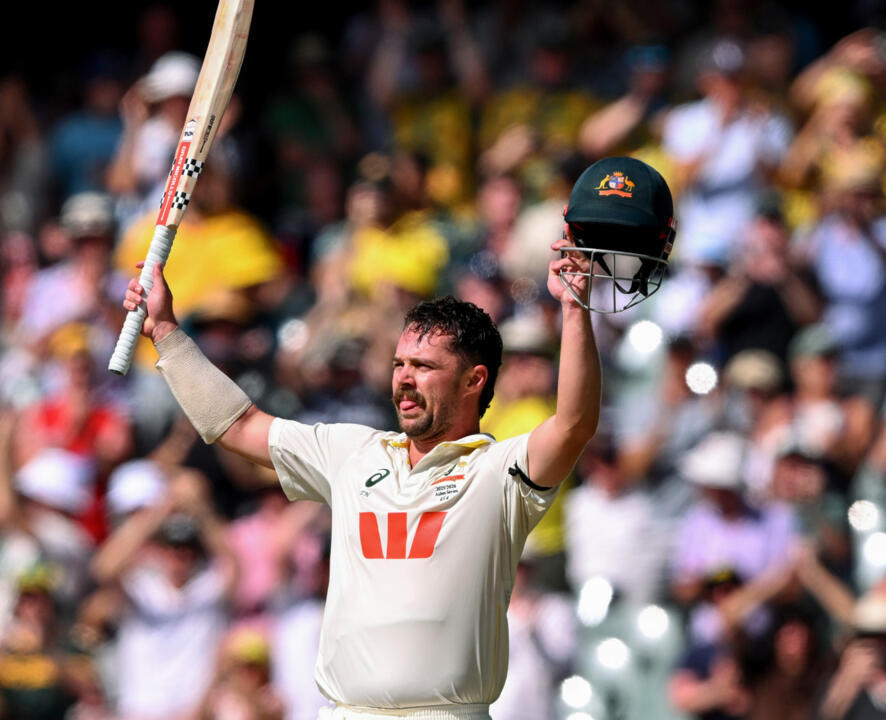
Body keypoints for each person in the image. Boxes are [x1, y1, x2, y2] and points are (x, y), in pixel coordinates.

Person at [121, 156, 673, 717]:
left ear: (474, 382)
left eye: (424, 367)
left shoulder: (500, 473)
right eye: (399, 363)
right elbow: (236, 425)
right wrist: (166, 331)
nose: (403, 378)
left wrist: (574, 310)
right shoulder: (351, 453)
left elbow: (575, 423)